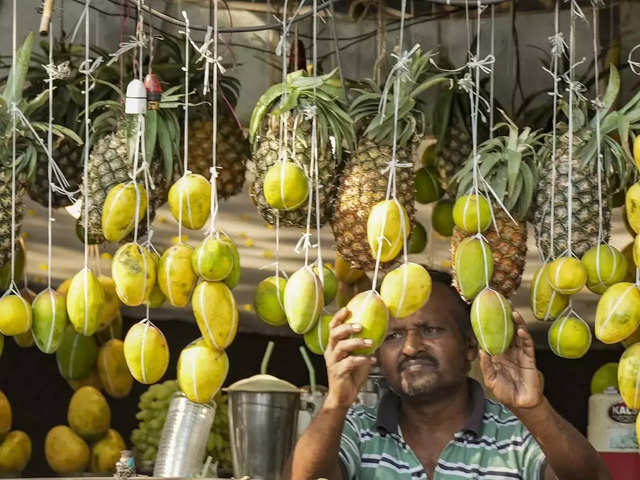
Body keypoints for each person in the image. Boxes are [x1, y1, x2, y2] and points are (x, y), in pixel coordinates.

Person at [291, 270, 611, 480]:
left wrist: (533, 408)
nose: (411, 348)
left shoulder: (517, 433)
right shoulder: (356, 429)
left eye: (430, 330)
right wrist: (336, 402)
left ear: (470, 346)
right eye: (393, 336)